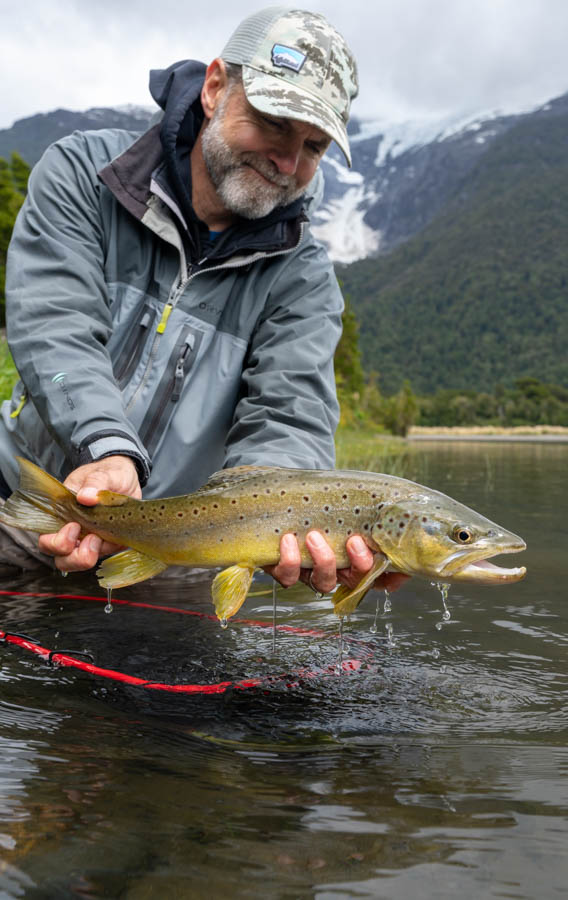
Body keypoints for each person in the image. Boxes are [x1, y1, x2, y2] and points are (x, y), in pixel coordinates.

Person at [0, 7, 407, 597]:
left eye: (313, 146)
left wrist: (282, 517)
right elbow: (54, 326)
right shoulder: (84, 173)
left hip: (181, 562)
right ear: (216, 88)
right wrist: (108, 452)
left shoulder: (305, 277)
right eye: (274, 124)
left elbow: (290, 414)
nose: (289, 163)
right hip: (23, 508)